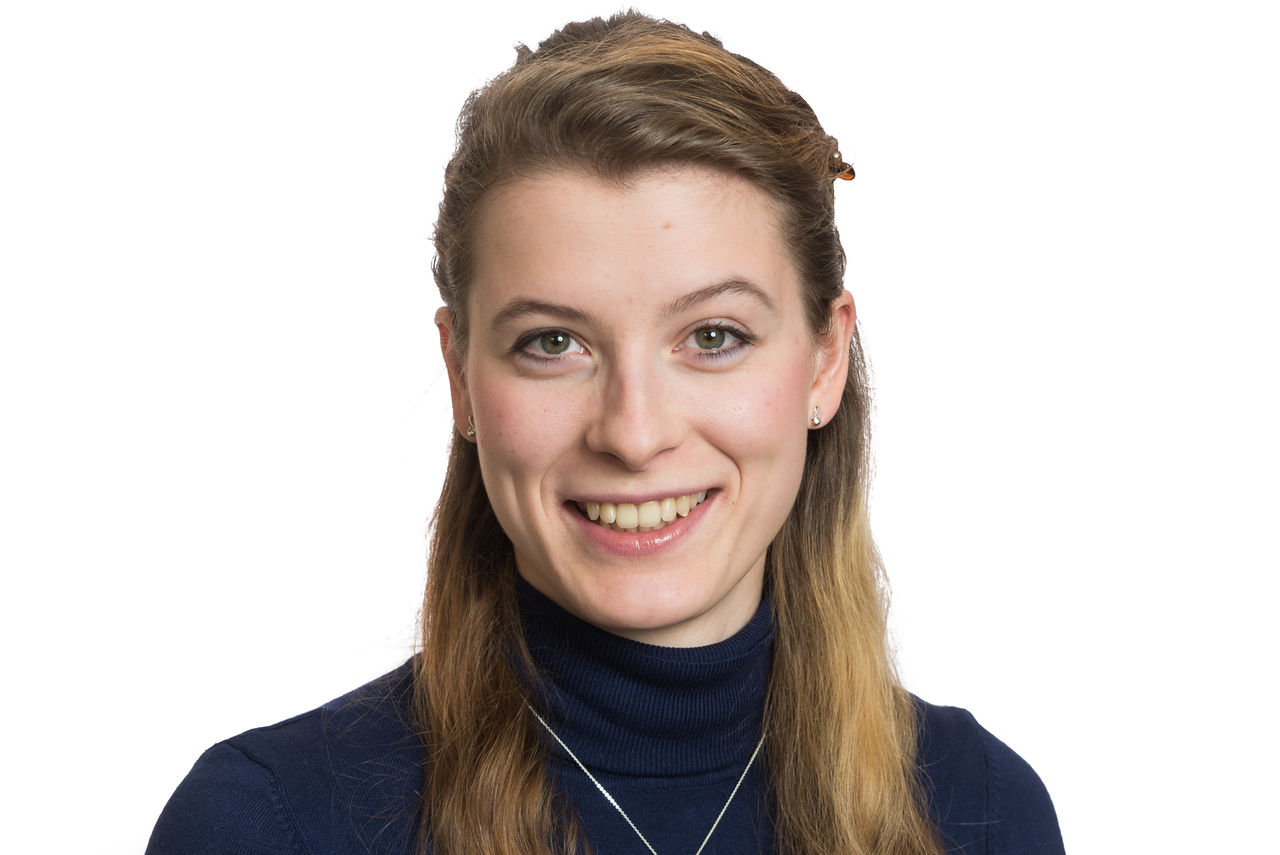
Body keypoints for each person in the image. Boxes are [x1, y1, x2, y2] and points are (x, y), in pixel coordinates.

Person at [147, 12, 1064, 855]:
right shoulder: (268, 823)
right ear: (461, 374)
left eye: (714, 337)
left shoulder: (981, 810)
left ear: (824, 360)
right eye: (553, 343)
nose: (634, 432)